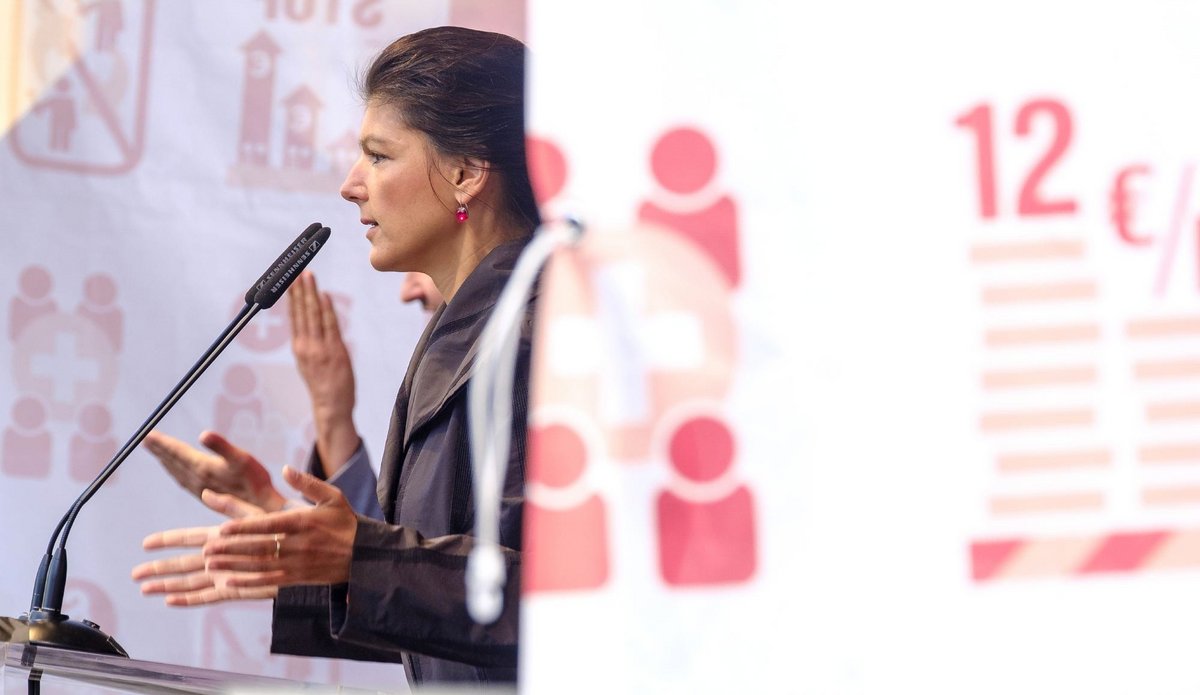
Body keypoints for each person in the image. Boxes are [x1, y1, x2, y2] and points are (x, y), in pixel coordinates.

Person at [132, 26, 540, 686]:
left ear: (466, 173)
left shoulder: (546, 339)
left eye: (379, 156)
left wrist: (359, 557)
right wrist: (297, 539)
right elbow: (450, 611)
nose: (351, 185)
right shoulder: (464, 330)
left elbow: (569, 604)